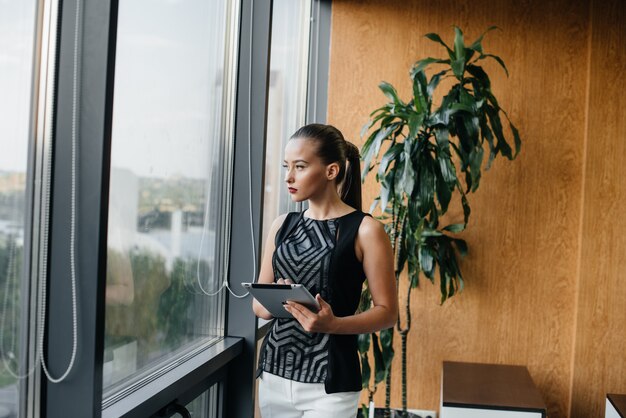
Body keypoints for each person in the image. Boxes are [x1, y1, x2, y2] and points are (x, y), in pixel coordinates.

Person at [253, 123, 398, 418]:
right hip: (275, 375)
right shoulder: (281, 226)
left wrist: (333, 325)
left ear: (331, 171)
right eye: (286, 166)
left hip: (330, 386)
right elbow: (259, 307)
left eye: (300, 167)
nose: (288, 177)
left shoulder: (366, 230)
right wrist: (280, 298)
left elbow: (388, 312)